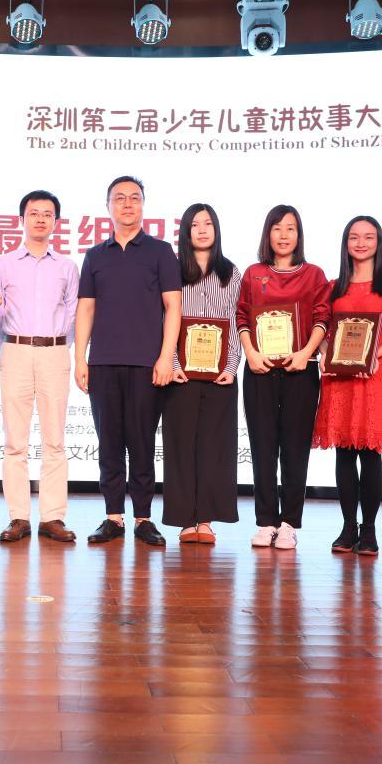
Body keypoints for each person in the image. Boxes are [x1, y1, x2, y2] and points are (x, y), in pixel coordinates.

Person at [75, 176, 182, 546]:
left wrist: (166, 357)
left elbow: (173, 307)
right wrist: (80, 358)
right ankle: (113, 517)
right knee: (109, 443)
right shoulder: (95, 255)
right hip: (103, 362)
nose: (127, 204)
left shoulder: (160, 251)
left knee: (141, 443)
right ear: (108, 207)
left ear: (143, 205)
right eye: (119, 198)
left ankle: (143, 518)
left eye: (134, 198)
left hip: (146, 364)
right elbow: (86, 309)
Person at [312, 216, 382, 556]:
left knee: (370, 455)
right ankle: (347, 527)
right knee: (344, 453)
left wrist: (371, 356)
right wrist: (325, 352)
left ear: (379, 242)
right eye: (354, 237)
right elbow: (323, 330)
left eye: (369, 237)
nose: (361, 243)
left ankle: (369, 530)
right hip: (340, 380)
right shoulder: (333, 286)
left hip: (375, 377)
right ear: (345, 243)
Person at [237, 205, 330, 551]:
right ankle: (265, 522)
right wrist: (251, 353)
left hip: (300, 370)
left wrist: (306, 353)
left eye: (290, 228)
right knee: (262, 448)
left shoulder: (314, 275)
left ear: (299, 234)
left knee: (294, 449)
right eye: (277, 228)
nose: (284, 235)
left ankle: (289, 523)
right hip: (259, 370)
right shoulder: (254, 273)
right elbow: (242, 316)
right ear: (268, 234)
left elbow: (323, 317)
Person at [0, 190, 79, 543]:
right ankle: (18, 517)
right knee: (15, 441)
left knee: (55, 440)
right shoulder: (4, 264)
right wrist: (14, 346)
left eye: (47, 214)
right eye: (34, 213)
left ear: (56, 222)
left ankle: (53, 517)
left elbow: (73, 314)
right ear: (21, 220)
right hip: (15, 351)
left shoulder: (67, 266)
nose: (40, 219)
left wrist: (55, 346)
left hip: (55, 352)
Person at [163, 204, 241, 544]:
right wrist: (173, 363)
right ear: (186, 231)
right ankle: (185, 520)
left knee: (215, 447)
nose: (203, 229)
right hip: (180, 373)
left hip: (220, 374)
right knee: (180, 445)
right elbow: (165, 318)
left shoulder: (231, 272)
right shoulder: (172, 270)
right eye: (195, 224)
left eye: (209, 223)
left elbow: (237, 320)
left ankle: (205, 520)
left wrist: (231, 366)